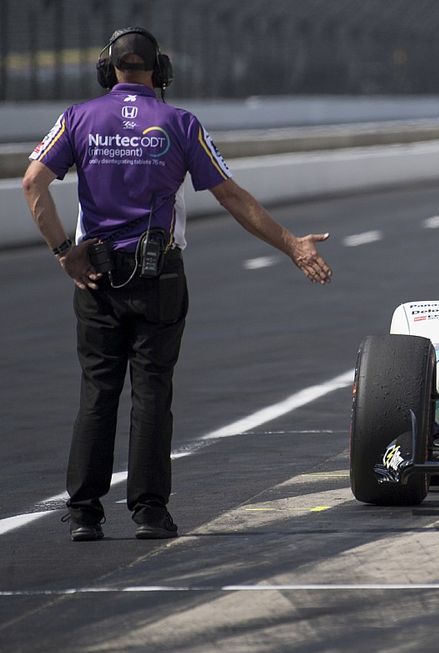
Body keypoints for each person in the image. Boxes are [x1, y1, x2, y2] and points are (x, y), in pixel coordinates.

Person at [21, 27, 332, 542]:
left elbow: (33, 182)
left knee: (98, 392)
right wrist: (293, 245)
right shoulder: (179, 123)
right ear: (159, 72)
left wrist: (64, 254)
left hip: (95, 276)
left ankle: (84, 513)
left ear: (108, 70)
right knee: (151, 392)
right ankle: (148, 510)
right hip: (158, 276)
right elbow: (231, 196)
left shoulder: (76, 119)